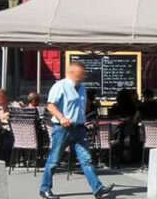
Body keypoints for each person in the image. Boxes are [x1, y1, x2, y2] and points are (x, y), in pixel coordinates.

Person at [39, 59, 114, 199]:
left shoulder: (82, 88)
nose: (83, 77)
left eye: (83, 75)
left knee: (86, 160)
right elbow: (50, 105)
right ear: (71, 73)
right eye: (81, 74)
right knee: (54, 160)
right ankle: (45, 189)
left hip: (79, 128)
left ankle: (97, 189)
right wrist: (62, 117)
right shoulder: (60, 86)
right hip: (62, 129)